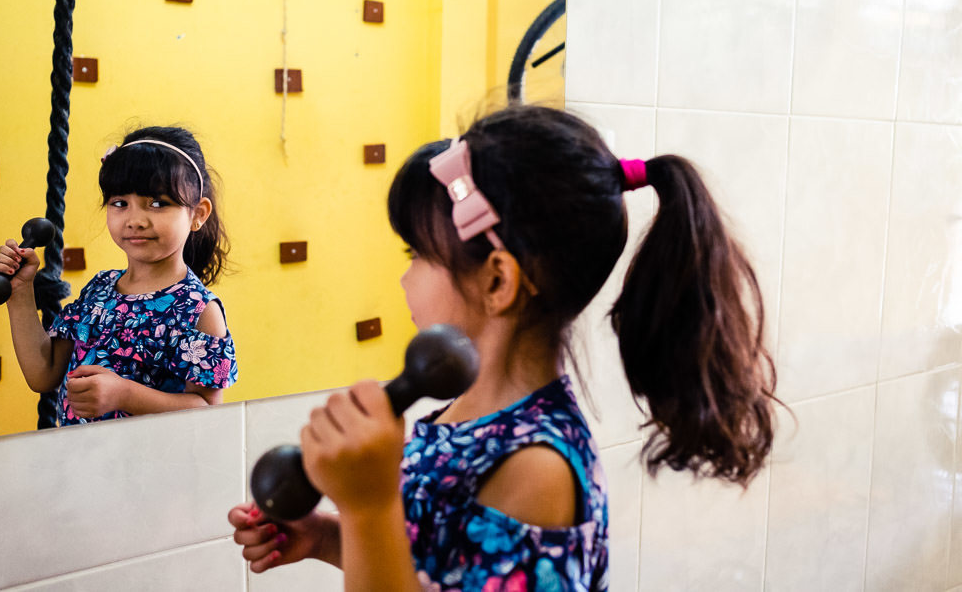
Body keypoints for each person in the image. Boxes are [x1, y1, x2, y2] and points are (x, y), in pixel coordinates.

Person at [228, 105, 779, 590]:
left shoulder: (537, 469)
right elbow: (439, 567)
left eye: (417, 255)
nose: (404, 278)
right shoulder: (467, 414)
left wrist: (369, 508)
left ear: (497, 281)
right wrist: (332, 537)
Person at [0, 126, 238, 426]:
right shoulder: (99, 290)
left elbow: (208, 410)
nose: (135, 220)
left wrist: (124, 395)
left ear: (198, 214)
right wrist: (19, 291)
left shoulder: (198, 310)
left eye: (158, 203)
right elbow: (43, 374)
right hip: (80, 455)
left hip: (156, 457)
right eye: (120, 203)